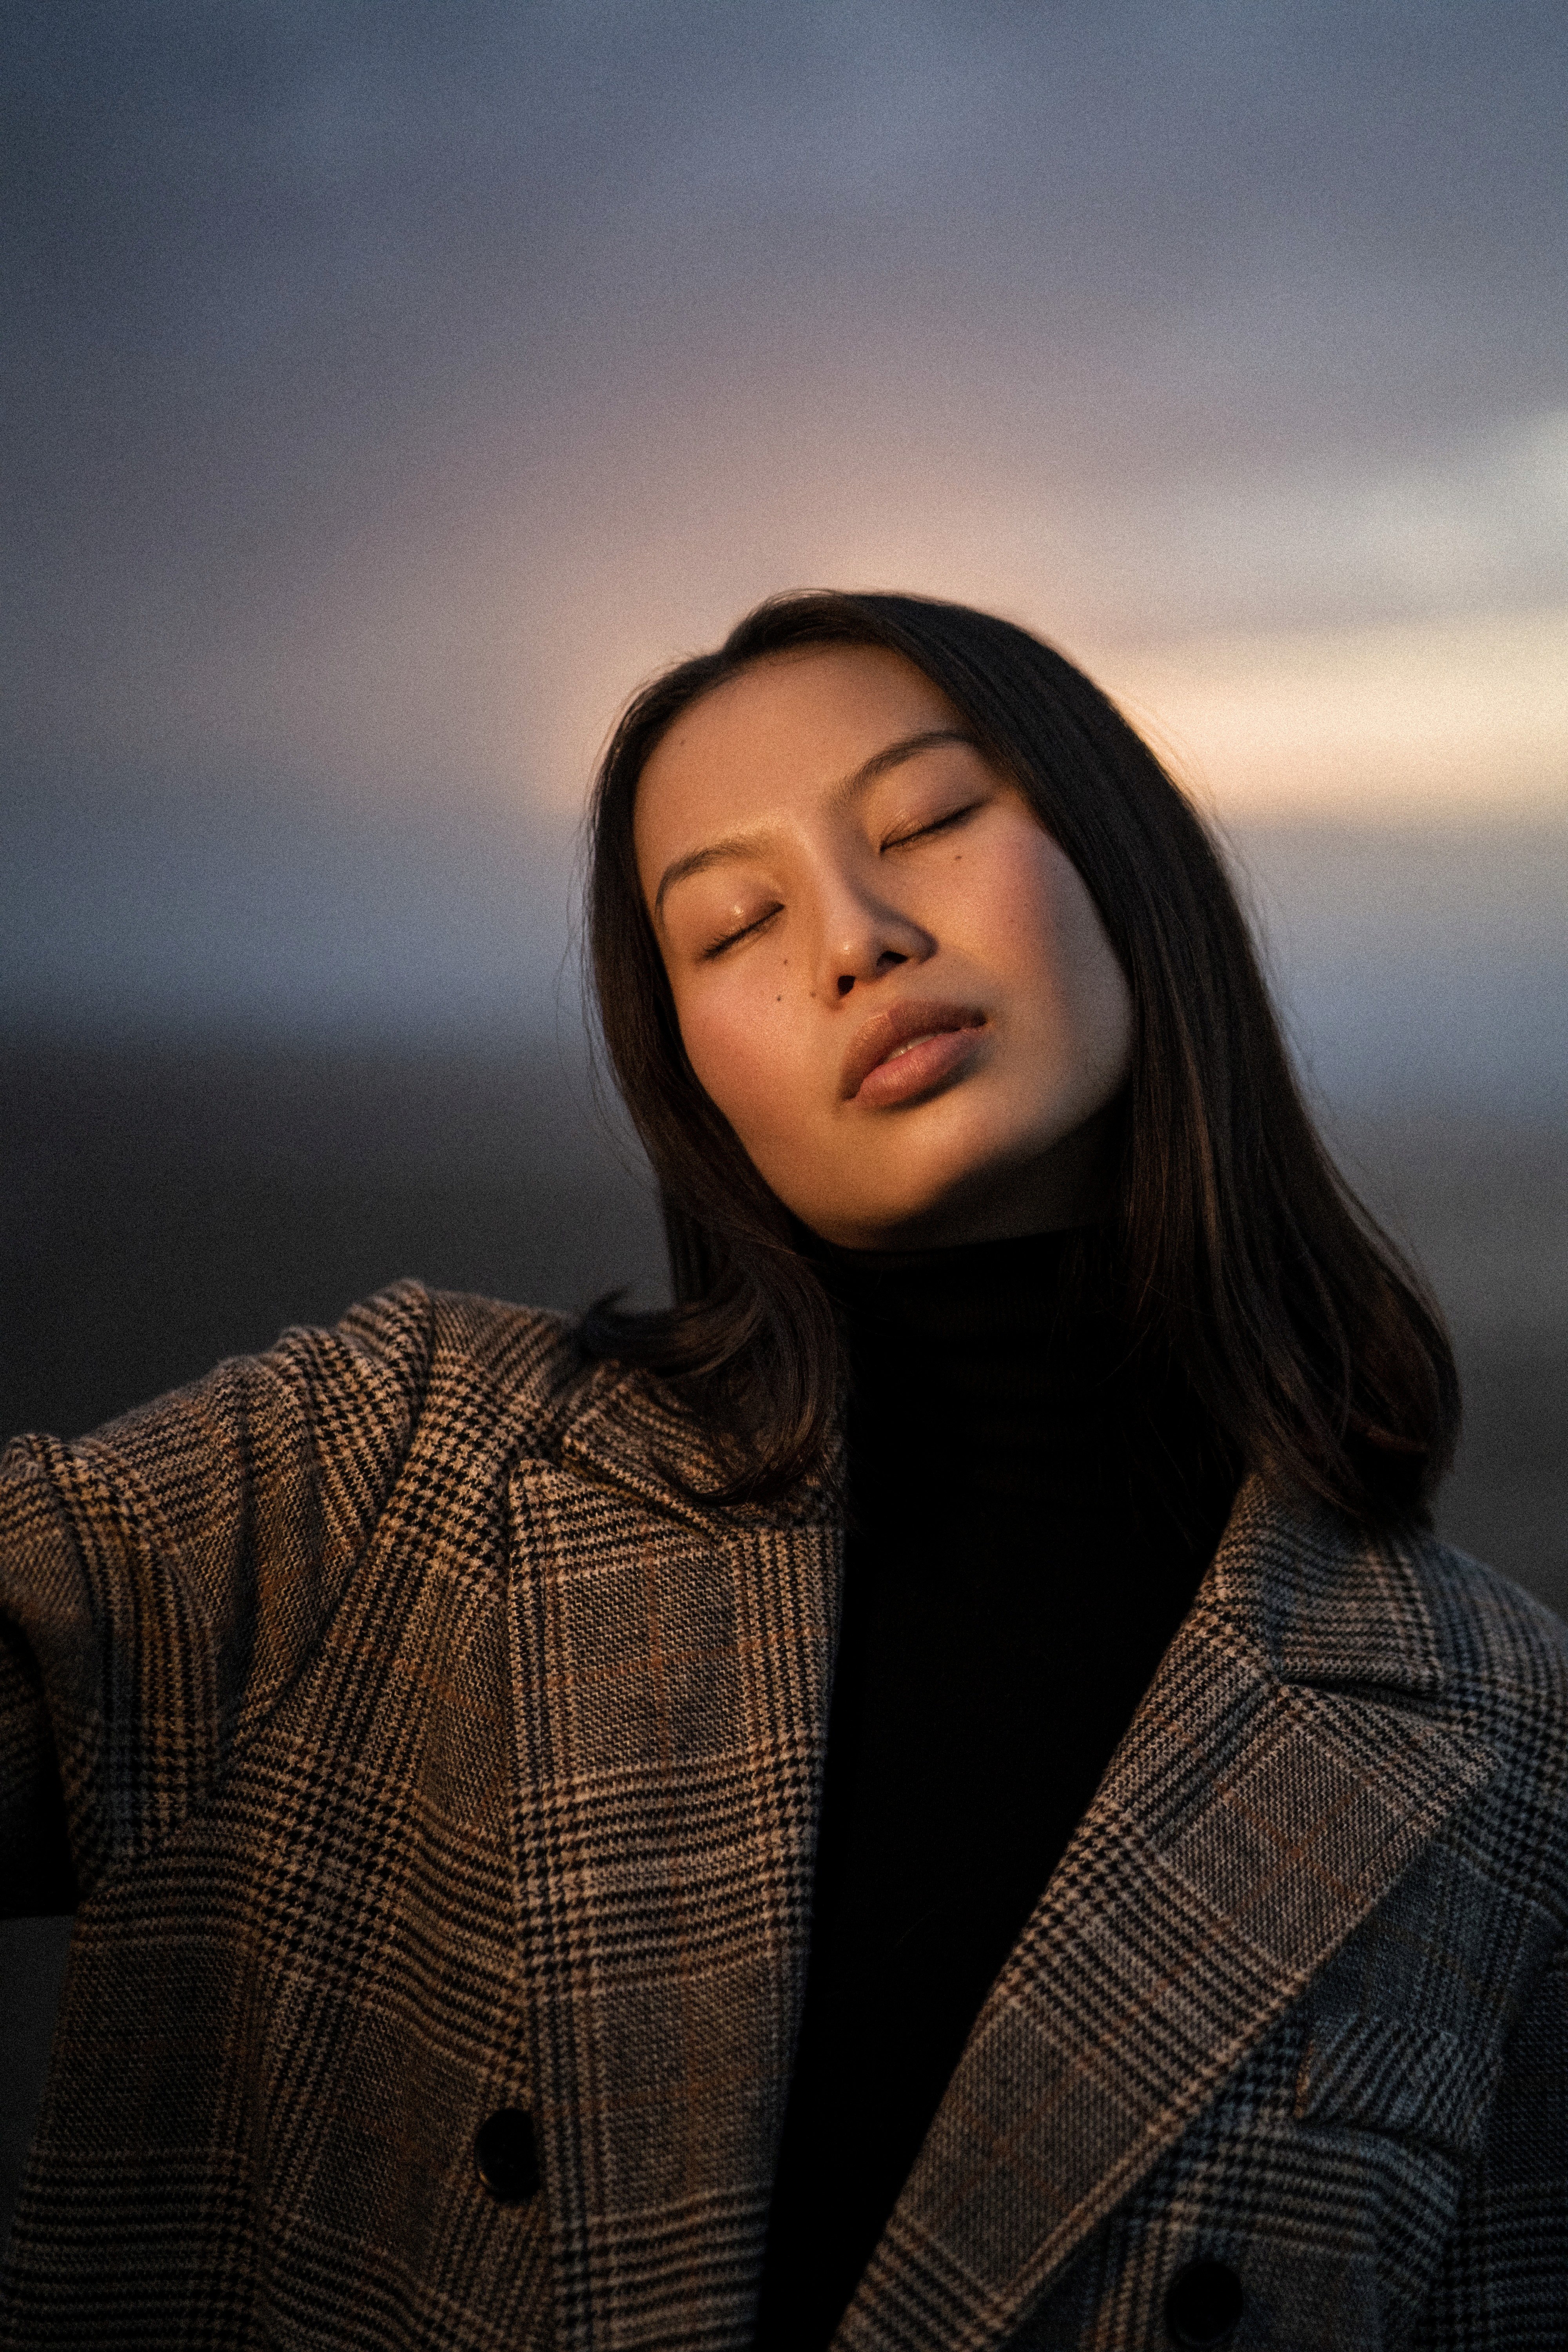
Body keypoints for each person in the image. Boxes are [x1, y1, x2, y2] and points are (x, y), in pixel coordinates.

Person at [0, 590, 1563, 2352]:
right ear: (692, 1079)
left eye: (926, 821)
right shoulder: (403, 1463)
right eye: (735, 921)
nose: (857, 936)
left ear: (1130, 867)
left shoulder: (1497, 1725)